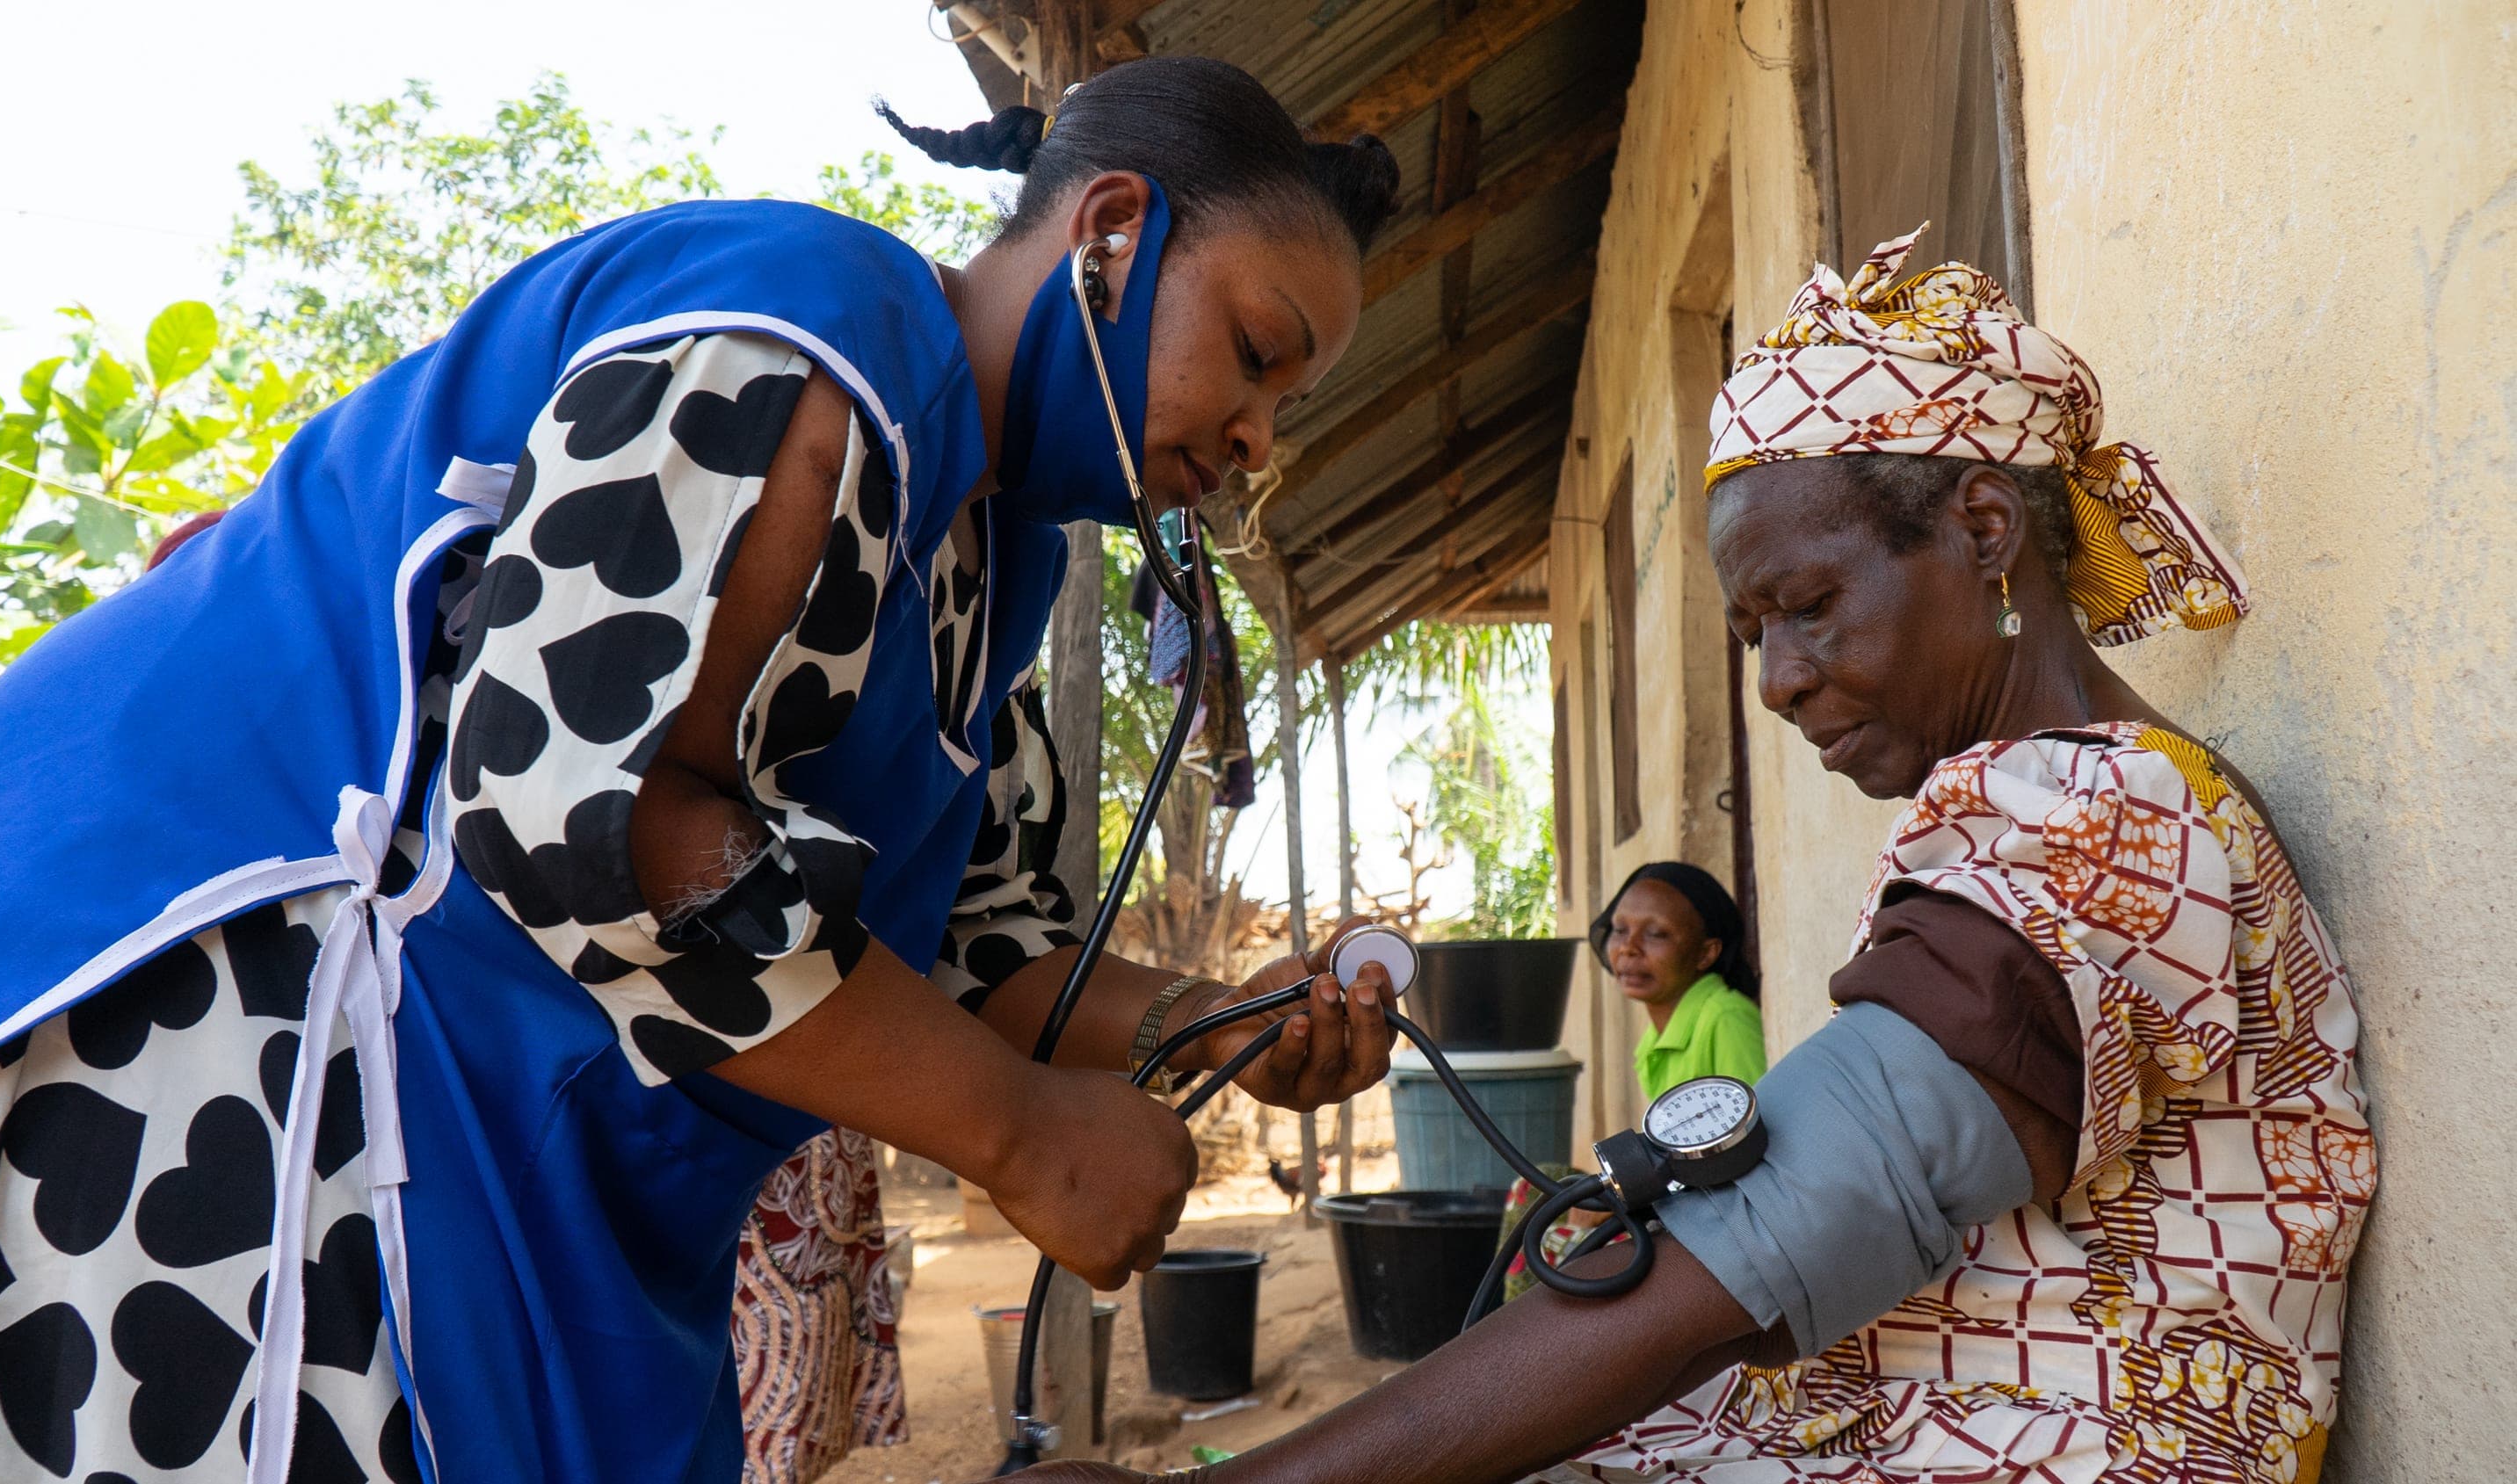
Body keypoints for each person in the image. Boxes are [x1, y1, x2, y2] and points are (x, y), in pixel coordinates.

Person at [0, 58, 1407, 1483]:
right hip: (223, 1052)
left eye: (1290, 407)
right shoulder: (803, 332)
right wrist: (1014, 1128)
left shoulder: (988, 562)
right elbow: (573, 810)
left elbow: (969, 950)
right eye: (1256, 353)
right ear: (1115, 231)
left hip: (514, 1167)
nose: (1257, 436)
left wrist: (1217, 1023)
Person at [1018, 228, 2375, 1484]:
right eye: (1752, 636)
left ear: (1981, 528)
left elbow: (1758, 1243)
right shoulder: (2048, 809)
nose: (1779, 682)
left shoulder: (2107, 826)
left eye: (1811, 608)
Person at [1591, 861, 1766, 1099]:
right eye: (1620, 930)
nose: (1628, 948)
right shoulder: (1656, 1036)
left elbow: (1755, 1126)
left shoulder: (1726, 1019)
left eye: (1656, 934)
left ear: (1706, 953)